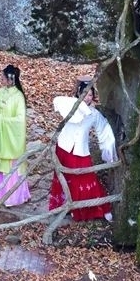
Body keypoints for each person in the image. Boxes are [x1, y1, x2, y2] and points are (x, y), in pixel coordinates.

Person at [48, 79, 117, 222]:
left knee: (86, 178)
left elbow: (104, 130)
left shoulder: (94, 114)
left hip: (80, 150)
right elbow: (58, 101)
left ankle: (90, 209)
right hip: (64, 147)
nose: (87, 98)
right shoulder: (70, 107)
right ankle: (63, 206)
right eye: (85, 94)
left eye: (90, 95)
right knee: (64, 178)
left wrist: (108, 150)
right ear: (79, 94)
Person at [0, 64, 30, 206]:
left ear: (11, 79)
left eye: (3, 77)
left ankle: (11, 197)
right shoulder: (0, 92)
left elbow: (20, 120)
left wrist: (1, 120)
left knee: (10, 168)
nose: (1, 80)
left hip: (10, 140)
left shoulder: (19, 97)